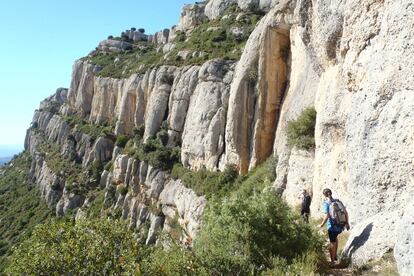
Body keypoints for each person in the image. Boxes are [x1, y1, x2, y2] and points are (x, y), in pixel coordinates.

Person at [318, 188, 350, 265]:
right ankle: (335, 255)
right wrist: (347, 223)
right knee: (335, 238)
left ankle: (332, 261)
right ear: (331, 193)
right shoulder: (338, 201)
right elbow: (345, 212)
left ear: (324, 195)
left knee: (332, 243)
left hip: (332, 226)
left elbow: (327, 216)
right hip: (340, 225)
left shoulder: (326, 203)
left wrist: (321, 225)